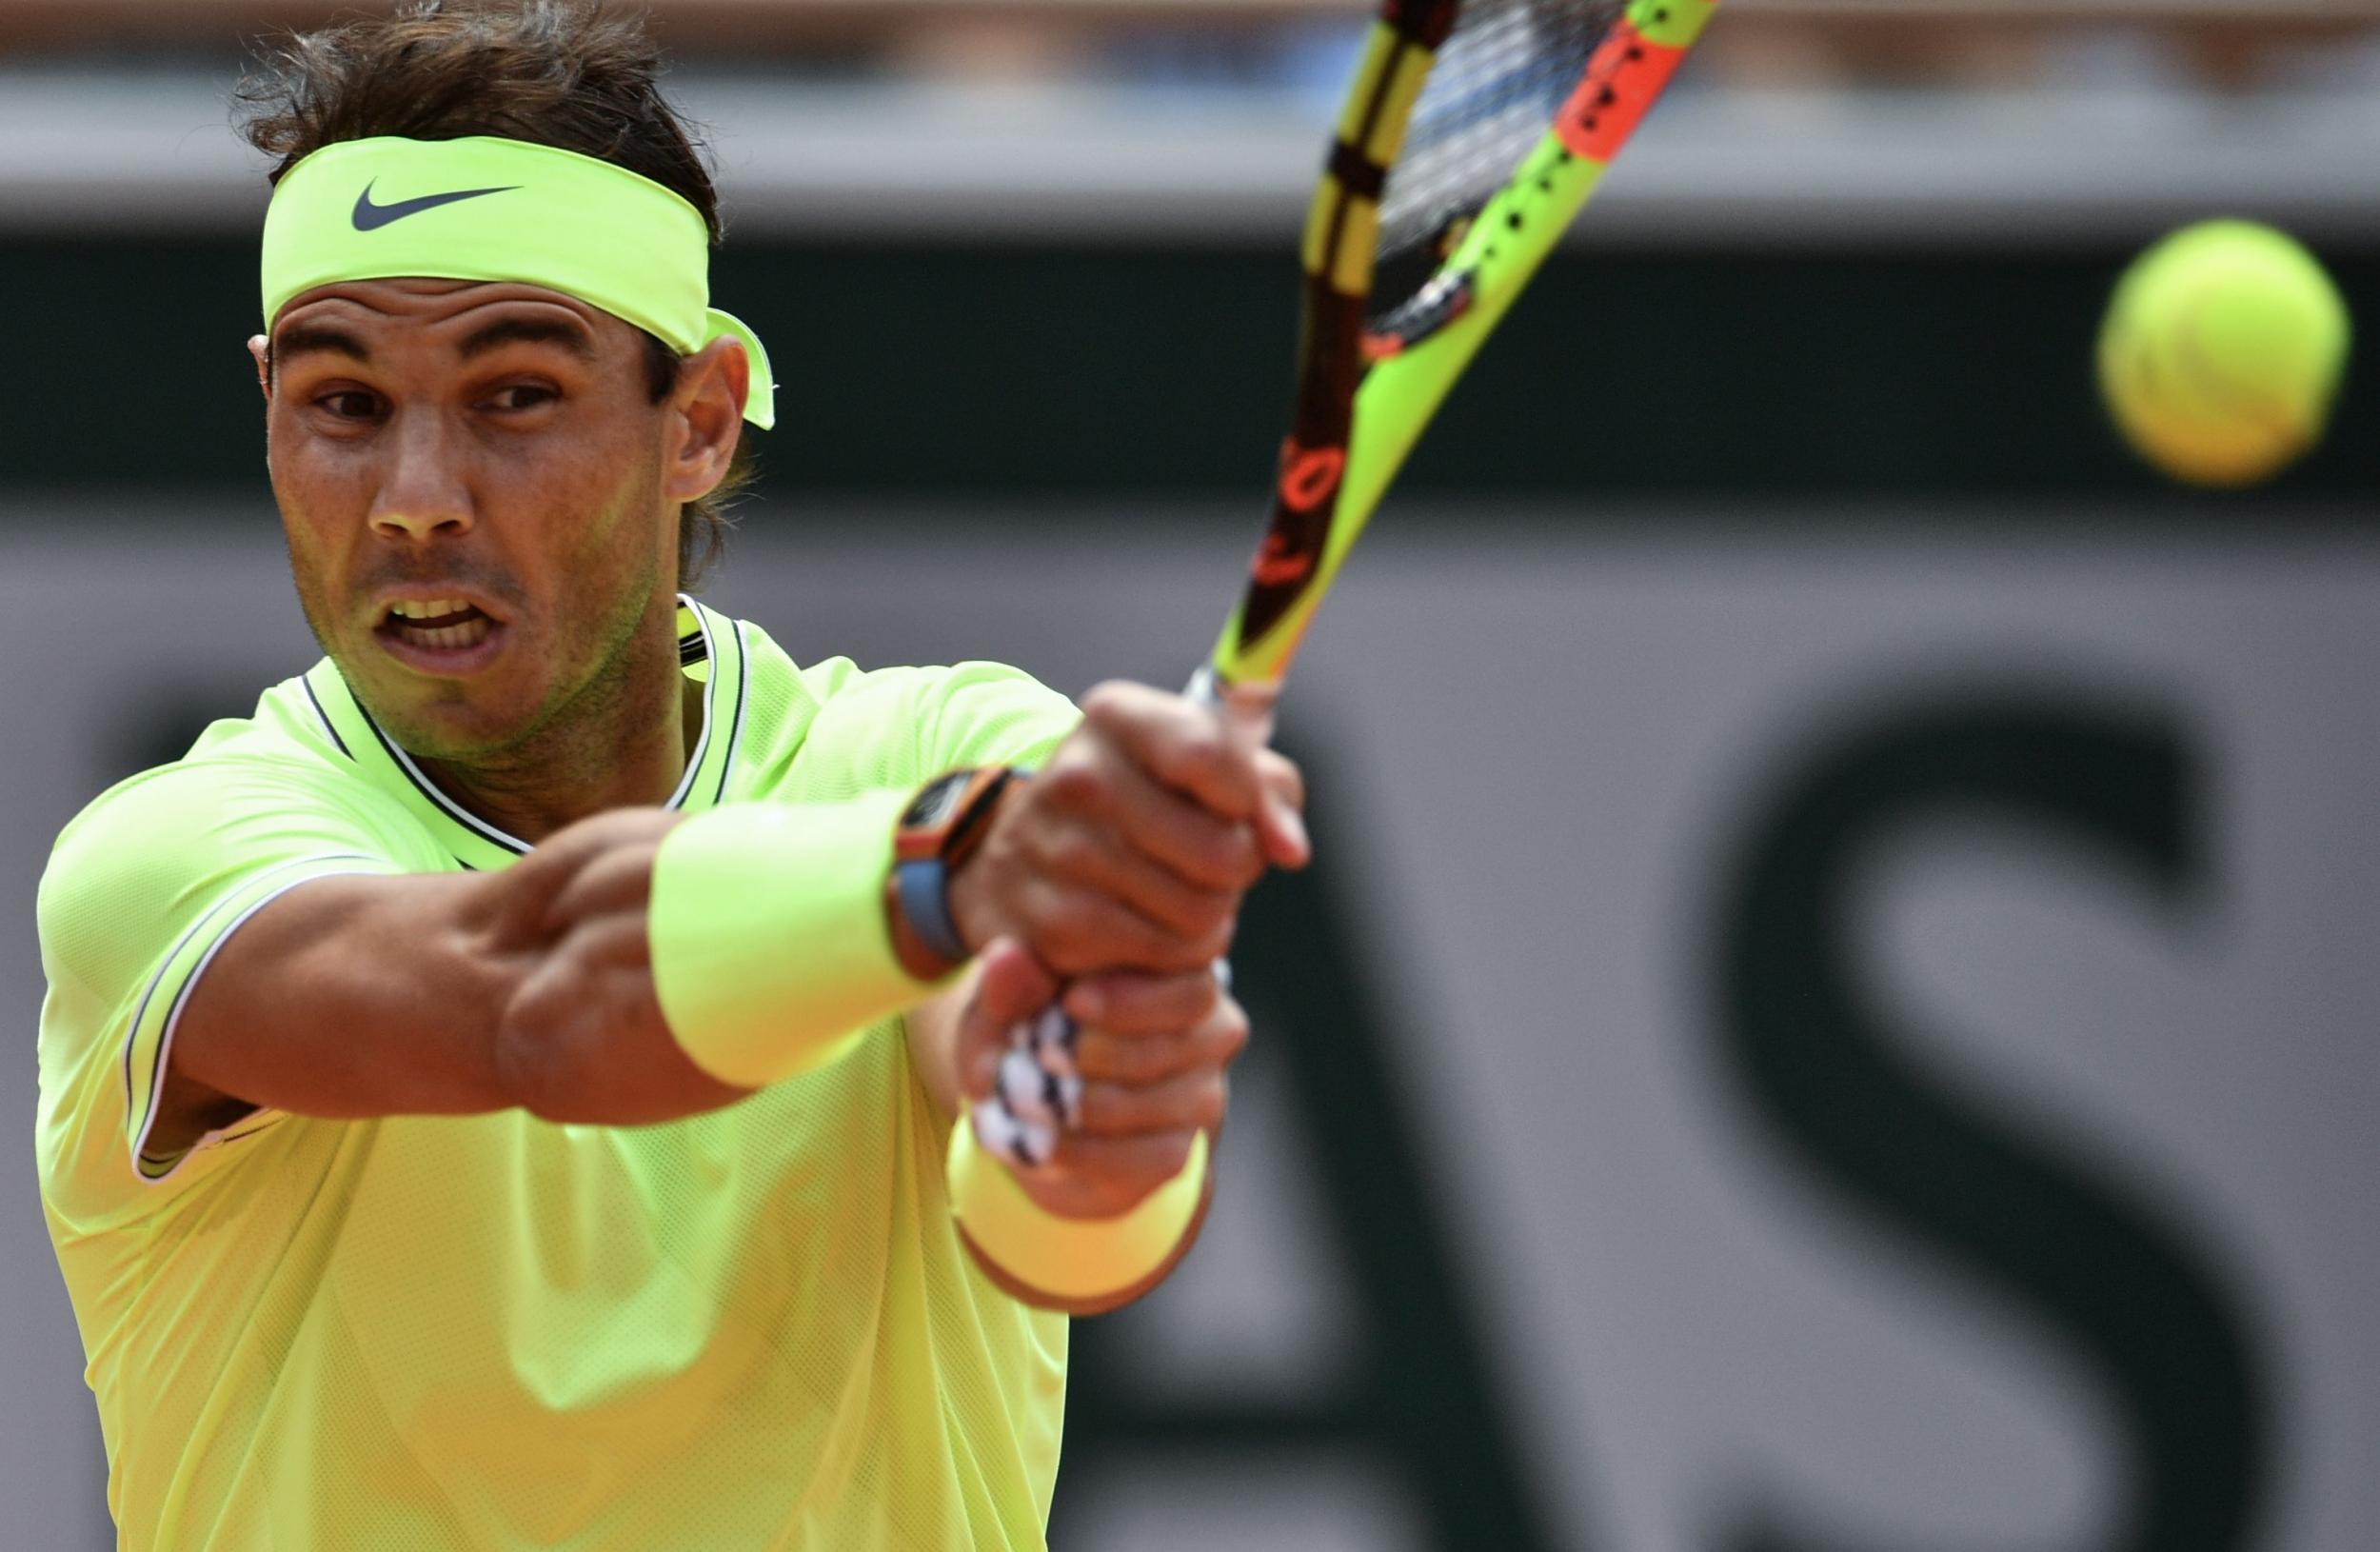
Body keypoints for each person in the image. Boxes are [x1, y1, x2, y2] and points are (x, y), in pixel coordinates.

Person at [32, 3, 1306, 1547]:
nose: (414, 501)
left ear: (695, 419)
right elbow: (532, 1004)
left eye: (515, 395)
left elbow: (1064, 1230)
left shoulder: (940, 754)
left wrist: (1092, 1117)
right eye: (345, 405)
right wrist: (944, 880)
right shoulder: (173, 860)